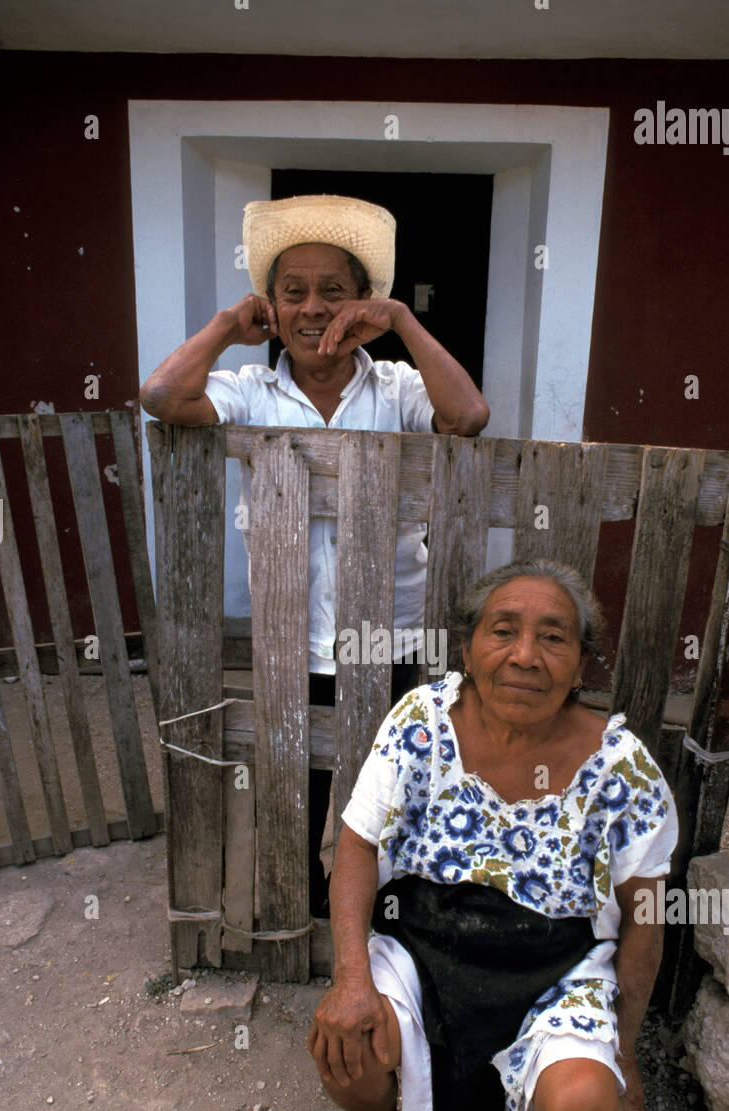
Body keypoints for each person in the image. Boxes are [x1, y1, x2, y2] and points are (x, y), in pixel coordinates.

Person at [308, 559, 679, 1111]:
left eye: (554, 638)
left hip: (555, 971)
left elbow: (646, 920)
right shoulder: (421, 723)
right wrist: (353, 977)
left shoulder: (622, 768)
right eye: (502, 631)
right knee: (346, 1046)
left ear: (580, 665)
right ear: (469, 648)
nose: (524, 656)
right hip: (422, 948)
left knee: (588, 1105)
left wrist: (625, 1050)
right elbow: (355, 844)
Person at [140, 193, 490, 911]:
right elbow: (162, 396)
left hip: (391, 635)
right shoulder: (249, 391)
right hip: (289, 641)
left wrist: (403, 322)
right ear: (270, 307)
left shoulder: (395, 390)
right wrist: (224, 326)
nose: (312, 309)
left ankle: (377, 919)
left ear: (363, 303)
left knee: (388, 794)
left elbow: (467, 416)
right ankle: (299, 910)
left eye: (334, 293)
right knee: (291, 788)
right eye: (292, 293)